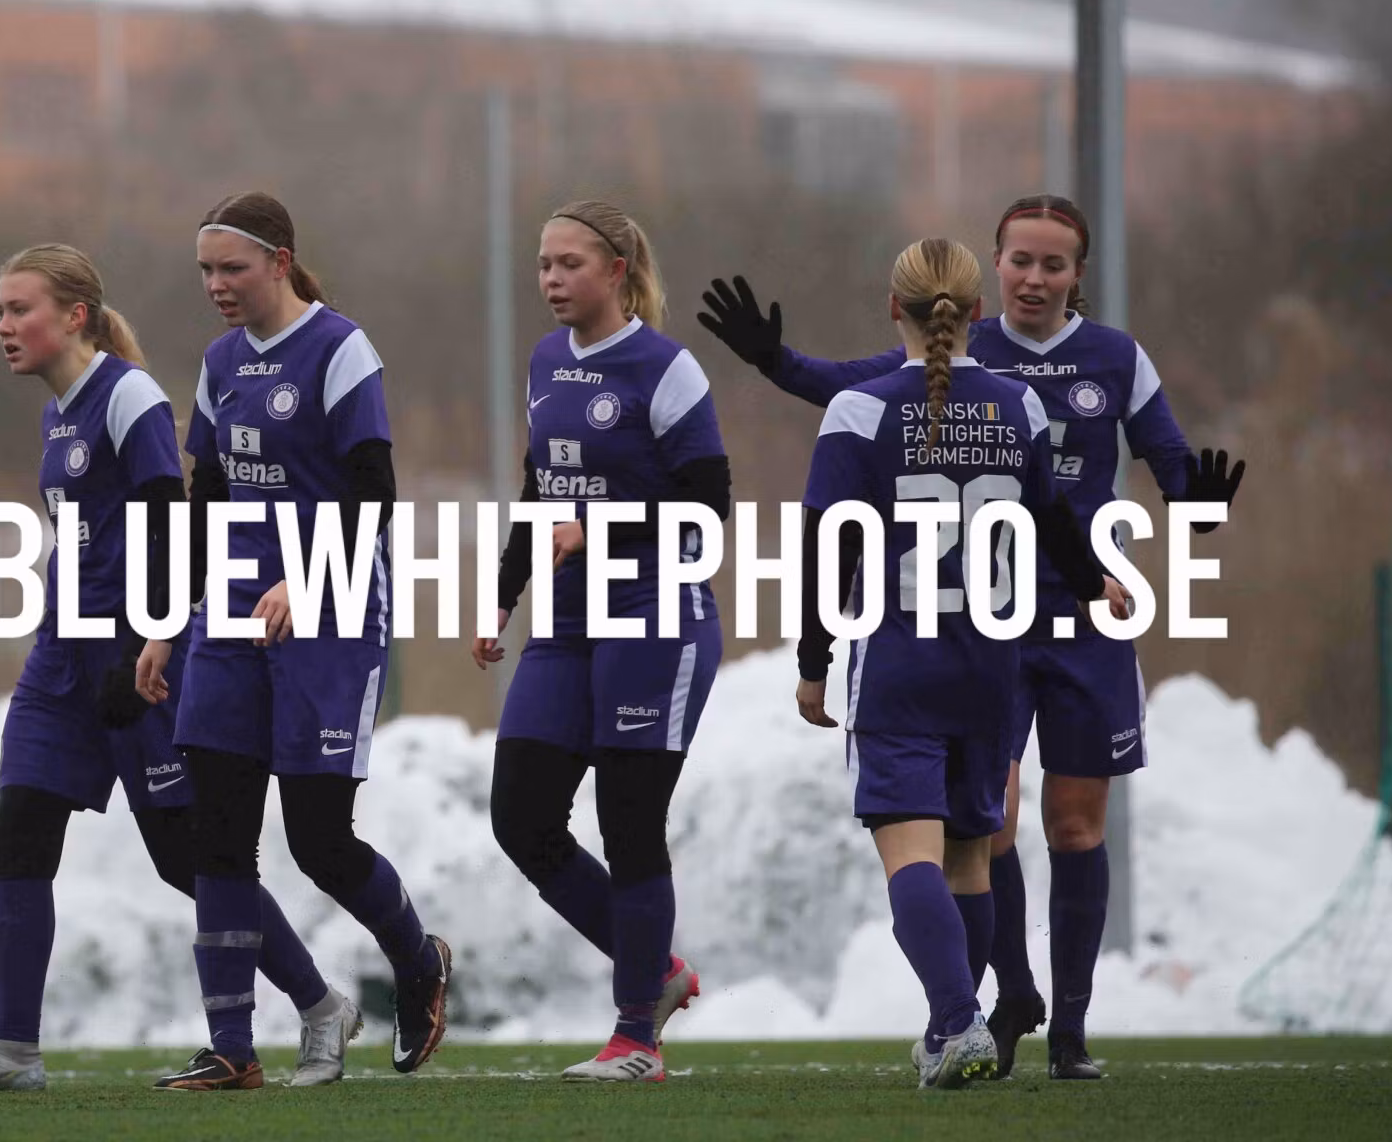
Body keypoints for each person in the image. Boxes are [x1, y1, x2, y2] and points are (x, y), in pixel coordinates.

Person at [699, 195, 1246, 1079]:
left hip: (1014, 633)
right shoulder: (992, 377)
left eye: (1053, 263)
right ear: (990, 276)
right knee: (981, 839)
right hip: (1001, 635)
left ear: (1077, 275)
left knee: (1048, 829)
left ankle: (1027, 1027)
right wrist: (775, 360)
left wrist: (1193, 510)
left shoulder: (1110, 360)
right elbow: (1041, 509)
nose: (1035, 276)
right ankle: (1003, 997)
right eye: (1020, 259)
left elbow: (1172, 471)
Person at [0, 244, 351, 1093]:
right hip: (59, 659)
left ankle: (320, 1003)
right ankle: (14, 1050)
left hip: (136, 660)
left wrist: (150, 639)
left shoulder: (130, 398)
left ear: (74, 315)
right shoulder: (58, 415)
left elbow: (174, 530)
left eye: (20, 309)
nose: (3, 326)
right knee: (21, 828)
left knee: (184, 858)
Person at [137, 194, 450, 1092]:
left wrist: (303, 580)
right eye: (205, 270)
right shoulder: (220, 362)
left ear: (280, 261)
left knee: (319, 840)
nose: (216, 285)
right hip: (233, 615)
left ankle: (418, 960)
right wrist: (168, 621)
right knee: (219, 835)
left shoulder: (340, 349)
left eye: (231, 268)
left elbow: (375, 493)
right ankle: (232, 1047)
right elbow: (207, 500)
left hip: (332, 615)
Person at [796, 235, 1107, 1089]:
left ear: (891, 309)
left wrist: (814, 662)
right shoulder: (1020, 406)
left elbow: (827, 553)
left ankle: (957, 1019)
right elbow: (1053, 519)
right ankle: (949, 1032)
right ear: (978, 311)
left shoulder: (858, 410)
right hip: (991, 666)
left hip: (903, 658)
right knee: (971, 859)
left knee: (912, 857)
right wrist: (1096, 584)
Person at [473, 199, 728, 1084]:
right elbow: (539, 492)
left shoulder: (666, 369)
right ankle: (657, 970)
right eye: (544, 264)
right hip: (566, 624)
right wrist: (501, 597)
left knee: (629, 824)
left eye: (569, 264)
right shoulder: (546, 362)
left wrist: (603, 530)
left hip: (655, 619)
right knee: (522, 818)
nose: (551, 279)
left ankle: (635, 1039)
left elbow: (709, 507)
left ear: (617, 271)